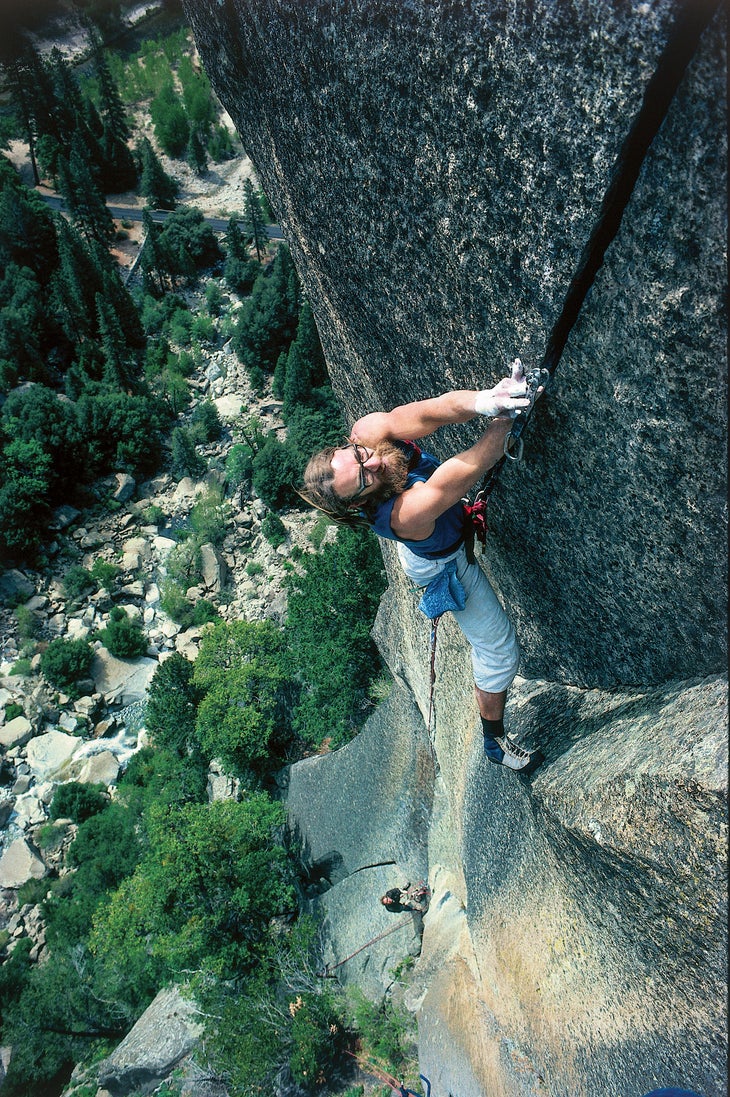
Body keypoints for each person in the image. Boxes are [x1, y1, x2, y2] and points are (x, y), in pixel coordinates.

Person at [300, 361, 543, 772]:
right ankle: (495, 742)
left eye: (359, 456)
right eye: (364, 478)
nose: (372, 464)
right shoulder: (402, 516)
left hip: (427, 534)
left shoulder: (367, 433)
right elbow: (464, 469)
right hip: (439, 560)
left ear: (348, 444)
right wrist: (504, 422)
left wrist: (488, 400)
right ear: (360, 502)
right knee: (499, 651)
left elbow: (430, 412)